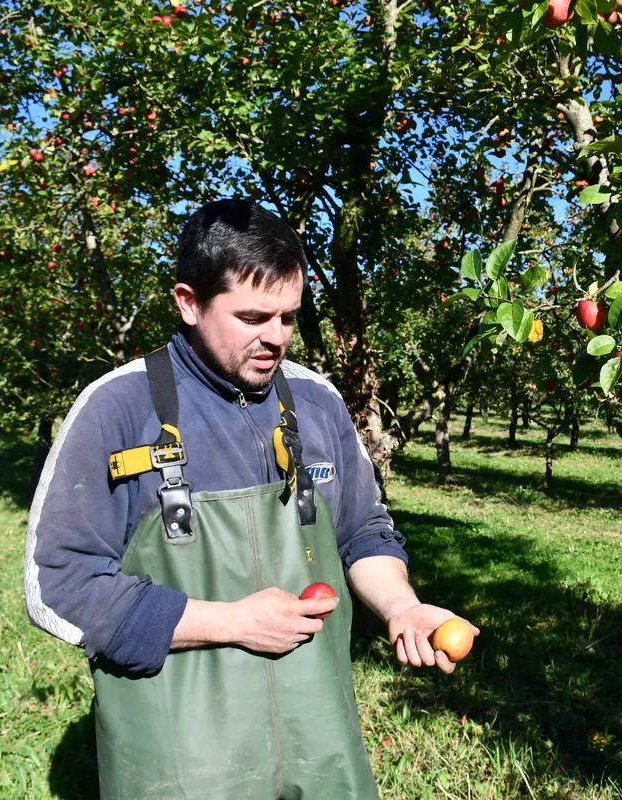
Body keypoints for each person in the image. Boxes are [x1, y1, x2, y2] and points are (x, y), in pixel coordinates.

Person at [23, 198, 477, 799]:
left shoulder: (315, 402)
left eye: (289, 318)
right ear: (188, 302)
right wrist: (232, 622)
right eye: (254, 316)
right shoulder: (119, 409)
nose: (276, 338)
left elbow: (362, 530)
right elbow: (58, 584)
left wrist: (401, 607)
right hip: (182, 754)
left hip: (317, 735)